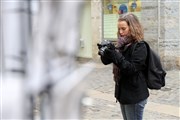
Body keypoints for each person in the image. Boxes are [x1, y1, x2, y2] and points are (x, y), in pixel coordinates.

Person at [98, 13, 149, 120]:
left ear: (133, 28)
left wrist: (114, 53)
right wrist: (104, 52)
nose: (120, 32)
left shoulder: (140, 46)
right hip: (124, 94)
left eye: (123, 28)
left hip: (135, 95)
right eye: (119, 29)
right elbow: (107, 62)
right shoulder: (121, 45)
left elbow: (131, 69)